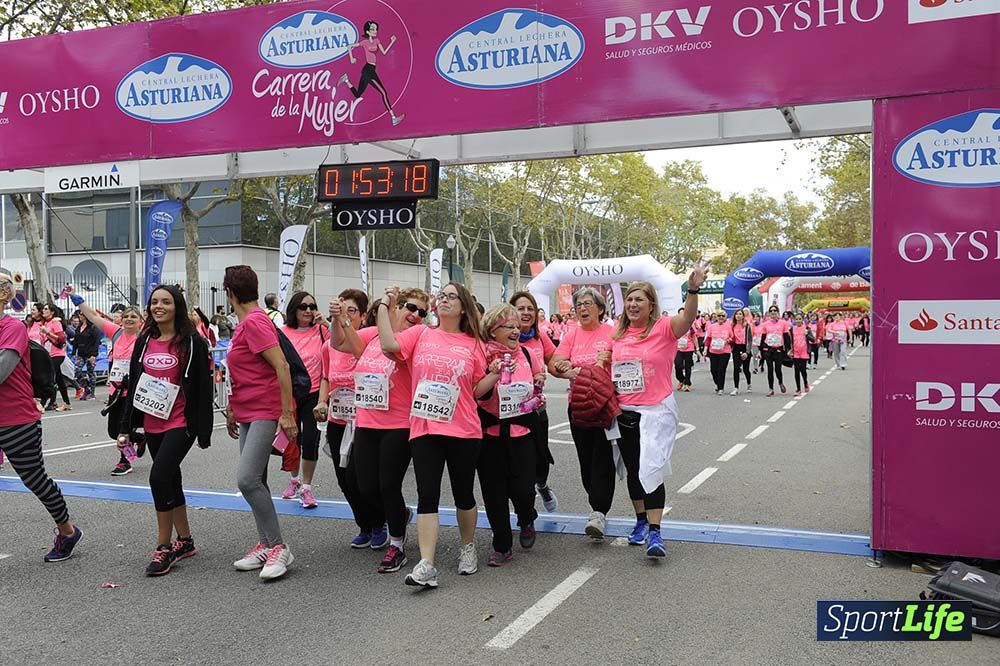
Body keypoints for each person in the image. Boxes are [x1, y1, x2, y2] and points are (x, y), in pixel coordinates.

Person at [377, 282, 488, 589]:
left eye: (451, 297)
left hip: (464, 428)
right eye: (442, 296)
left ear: (463, 306)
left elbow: (477, 390)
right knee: (428, 495)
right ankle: (427, 563)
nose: (444, 300)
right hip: (425, 426)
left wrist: (497, 371)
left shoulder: (475, 343)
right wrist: (386, 307)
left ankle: (468, 548)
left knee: (464, 493)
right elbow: (388, 344)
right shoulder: (421, 333)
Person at [610, 265, 708, 558]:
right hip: (624, 411)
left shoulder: (664, 328)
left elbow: (687, 318)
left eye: (639, 299)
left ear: (651, 304)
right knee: (633, 471)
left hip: (656, 411)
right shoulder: (617, 337)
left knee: (650, 469)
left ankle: (655, 532)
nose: (633, 304)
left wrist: (692, 289)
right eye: (629, 299)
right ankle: (640, 522)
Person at [116, 285, 213, 575]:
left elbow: (203, 387)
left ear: (177, 307)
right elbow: (134, 383)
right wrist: (127, 426)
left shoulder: (192, 342)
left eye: (166, 302)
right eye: (155, 302)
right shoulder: (144, 340)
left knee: (158, 477)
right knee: (172, 479)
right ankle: (185, 540)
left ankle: (163, 547)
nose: (159, 306)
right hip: (151, 420)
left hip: (181, 422)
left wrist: (204, 431)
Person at [0, 272, 83, 562]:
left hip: (16, 418)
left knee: (34, 479)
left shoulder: (11, 328)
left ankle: (68, 531)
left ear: (3, 295)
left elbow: (3, 369)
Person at [550, 288, 643, 543]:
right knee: (585, 459)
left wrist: (611, 358)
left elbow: (629, 361)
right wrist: (566, 369)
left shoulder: (612, 333)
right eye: (579, 304)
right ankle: (596, 504)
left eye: (588, 303)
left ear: (600, 308)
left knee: (602, 457)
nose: (582, 307)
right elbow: (555, 363)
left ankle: (599, 511)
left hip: (604, 405)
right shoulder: (571, 334)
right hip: (578, 406)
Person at [223, 266, 298, 581]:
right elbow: (245, 370)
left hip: (267, 409)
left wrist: (286, 413)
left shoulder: (254, 322)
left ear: (229, 294)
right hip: (248, 410)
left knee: (247, 480)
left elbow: (281, 364)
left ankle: (279, 546)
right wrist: (232, 407)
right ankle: (266, 543)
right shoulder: (247, 323)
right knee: (258, 480)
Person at [353, 287, 428, 574]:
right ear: (398, 307)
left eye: (422, 312)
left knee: (388, 485)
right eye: (410, 307)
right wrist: (338, 319)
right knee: (366, 486)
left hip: (399, 422)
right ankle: (401, 515)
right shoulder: (372, 334)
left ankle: (397, 544)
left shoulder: (417, 336)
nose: (415, 315)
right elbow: (339, 343)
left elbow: (392, 346)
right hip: (366, 420)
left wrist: (386, 306)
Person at [318, 289, 386, 545]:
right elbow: (326, 376)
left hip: (365, 419)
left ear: (364, 315)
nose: (346, 315)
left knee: (361, 476)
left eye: (352, 311)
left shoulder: (369, 340)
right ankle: (365, 524)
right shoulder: (328, 346)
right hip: (338, 419)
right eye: (341, 310)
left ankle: (380, 522)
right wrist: (321, 402)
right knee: (343, 478)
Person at [476, 304, 542, 567]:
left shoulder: (526, 353)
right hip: (490, 433)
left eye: (517, 326)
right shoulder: (481, 355)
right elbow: (476, 392)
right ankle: (501, 545)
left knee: (523, 491)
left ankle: (526, 518)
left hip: (523, 432)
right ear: (493, 330)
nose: (516, 330)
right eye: (509, 326)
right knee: (494, 494)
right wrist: (491, 373)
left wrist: (538, 395)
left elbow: (537, 383)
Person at [68, 289, 144, 476]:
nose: (129, 319)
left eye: (134, 316)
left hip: (132, 390)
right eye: (126, 316)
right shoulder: (116, 333)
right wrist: (79, 302)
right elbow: (93, 316)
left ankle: (125, 461)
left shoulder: (144, 337)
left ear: (141, 321)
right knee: (113, 431)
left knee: (123, 429)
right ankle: (140, 439)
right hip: (115, 390)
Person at [278, 291, 328, 510]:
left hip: (314, 394)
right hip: (290, 393)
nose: (308, 310)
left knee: (310, 440)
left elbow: (339, 346)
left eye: (312, 306)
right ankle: (294, 479)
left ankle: (306, 487)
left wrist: (326, 322)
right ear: (294, 309)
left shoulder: (322, 330)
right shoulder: (282, 332)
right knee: (291, 440)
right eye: (303, 306)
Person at [510, 291, 558, 513]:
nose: (526, 313)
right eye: (521, 308)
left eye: (530, 308)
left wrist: (572, 371)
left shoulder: (540, 338)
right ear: (511, 311)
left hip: (537, 410)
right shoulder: (500, 337)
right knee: (519, 464)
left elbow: (555, 361)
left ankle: (542, 485)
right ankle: (525, 512)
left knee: (541, 458)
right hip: (509, 412)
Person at [341, 20, 405, 126]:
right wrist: (351, 58)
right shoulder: (364, 42)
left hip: (371, 69)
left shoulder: (377, 41)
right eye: (372, 29)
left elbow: (384, 52)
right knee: (383, 92)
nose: (375, 31)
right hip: (368, 70)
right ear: (367, 31)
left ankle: (346, 80)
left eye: (376, 29)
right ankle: (393, 118)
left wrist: (392, 42)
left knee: (357, 95)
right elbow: (349, 46)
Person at [39, 303, 71, 411]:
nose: (43, 310)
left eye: (46, 309)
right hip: (49, 354)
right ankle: (66, 403)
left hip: (57, 354)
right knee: (59, 379)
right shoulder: (46, 323)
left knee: (49, 377)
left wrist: (47, 332)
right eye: (43, 309)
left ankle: (44, 403)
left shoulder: (55, 322)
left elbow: (61, 339)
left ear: (52, 312)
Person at [758, 305, 789, 397]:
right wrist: (761, 351)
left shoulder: (783, 323)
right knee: (770, 369)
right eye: (771, 311)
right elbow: (763, 338)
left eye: (775, 310)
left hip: (778, 349)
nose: (773, 312)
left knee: (778, 369)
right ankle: (771, 389)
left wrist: (789, 349)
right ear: (769, 313)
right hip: (768, 349)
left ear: (778, 312)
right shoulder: (765, 324)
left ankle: (780, 382)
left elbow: (786, 337)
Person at [704, 311, 733, 396]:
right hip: (713, 351)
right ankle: (717, 383)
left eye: (722, 316)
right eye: (719, 316)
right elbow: (708, 339)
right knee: (713, 370)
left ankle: (721, 388)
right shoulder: (711, 327)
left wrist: (729, 340)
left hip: (725, 352)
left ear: (725, 317)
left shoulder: (728, 327)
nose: (720, 317)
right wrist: (705, 349)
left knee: (721, 370)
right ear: (716, 317)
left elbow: (732, 337)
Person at [730, 309, 753, 395]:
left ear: (743, 316)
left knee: (746, 368)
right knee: (736, 368)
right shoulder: (732, 326)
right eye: (737, 314)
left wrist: (747, 352)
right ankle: (736, 388)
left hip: (745, 347)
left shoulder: (747, 326)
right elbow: (731, 337)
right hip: (736, 347)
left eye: (740, 314)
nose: (738, 316)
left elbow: (750, 340)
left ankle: (749, 384)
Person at [790, 313, 813, 396]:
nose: (798, 320)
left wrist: (807, 335)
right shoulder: (792, 329)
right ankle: (798, 389)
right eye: (797, 319)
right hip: (796, 352)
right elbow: (790, 341)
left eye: (800, 319)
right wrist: (790, 350)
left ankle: (805, 382)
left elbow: (813, 340)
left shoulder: (807, 328)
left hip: (804, 352)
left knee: (802, 370)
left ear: (802, 320)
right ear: (794, 320)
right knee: (796, 370)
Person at [673, 308, 696, 392]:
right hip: (678, 348)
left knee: (687, 367)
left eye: (683, 313)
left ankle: (687, 383)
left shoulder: (690, 325)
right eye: (680, 314)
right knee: (678, 366)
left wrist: (697, 348)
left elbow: (694, 336)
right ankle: (682, 379)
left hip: (689, 348)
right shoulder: (675, 324)